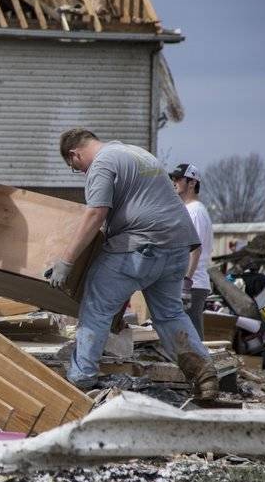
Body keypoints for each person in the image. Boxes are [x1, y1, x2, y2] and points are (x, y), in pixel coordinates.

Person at [46, 128, 218, 398]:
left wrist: (66, 261)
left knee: (97, 304)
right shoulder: (139, 154)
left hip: (141, 244)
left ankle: (81, 378)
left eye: (74, 167)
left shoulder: (102, 163)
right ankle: (205, 375)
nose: (79, 172)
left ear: (75, 154)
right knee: (170, 313)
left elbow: (95, 213)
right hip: (177, 247)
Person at [170, 163, 213, 337]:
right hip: (188, 283)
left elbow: (195, 249)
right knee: (184, 335)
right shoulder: (188, 209)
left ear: (192, 183)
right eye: (173, 179)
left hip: (192, 285)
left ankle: (202, 364)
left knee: (192, 336)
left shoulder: (195, 211)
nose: (174, 182)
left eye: (179, 179)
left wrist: (186, 283)